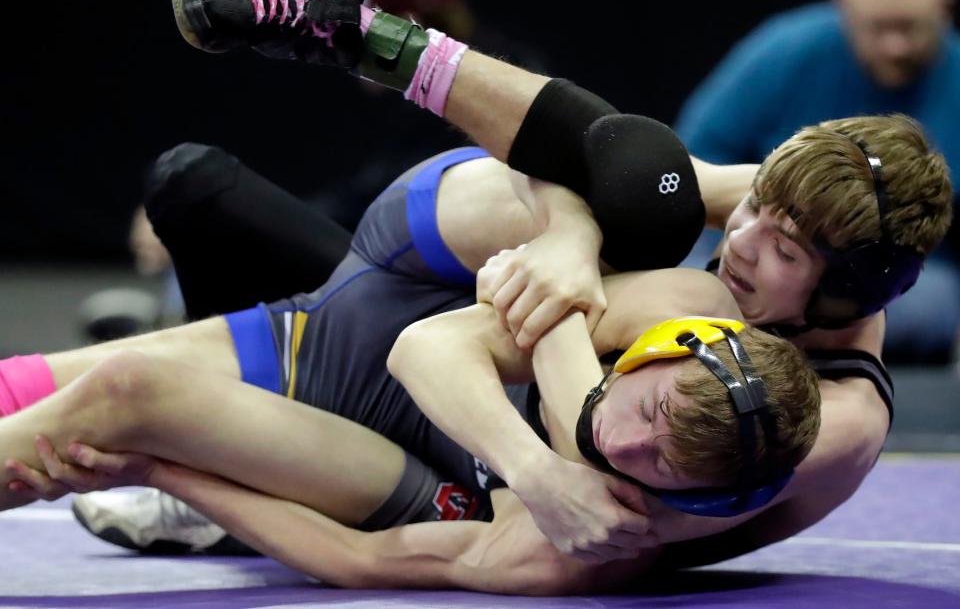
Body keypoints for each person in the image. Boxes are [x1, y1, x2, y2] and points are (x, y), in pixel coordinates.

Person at [0, 151, 821, 594]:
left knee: (126, 396)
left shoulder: (590, 542)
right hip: (372, 350)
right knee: (192, 185)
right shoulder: (668, 305)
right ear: (662, 350)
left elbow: (365, 563)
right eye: (651, 410)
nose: (626, 439)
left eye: (658, 464)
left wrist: (168, 470)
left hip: (412, 480)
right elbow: (431, 341)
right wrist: (565, 245)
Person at [674, 0, 960, 361]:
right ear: (842, 6)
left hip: (880, 278)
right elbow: (687, 159)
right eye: (878, 27)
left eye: (910, 27)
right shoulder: (784, 51)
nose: (894, 46)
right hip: (746, 238)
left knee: (936, 303)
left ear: (944, 8)